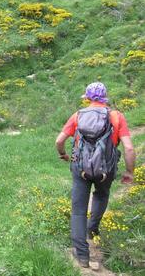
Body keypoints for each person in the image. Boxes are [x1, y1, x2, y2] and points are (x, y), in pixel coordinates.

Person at [55, 82, 136, 268]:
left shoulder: (78, 115)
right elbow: (129, 148)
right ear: (105, 98)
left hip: (80, 168)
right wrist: (130, 172)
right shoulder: (116, 116)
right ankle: (92, 229)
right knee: (101, 195)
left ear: (88, 98)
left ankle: (82, 256)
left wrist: (63, 154)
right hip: (106, 170)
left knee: (78, 210)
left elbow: (59, 141)